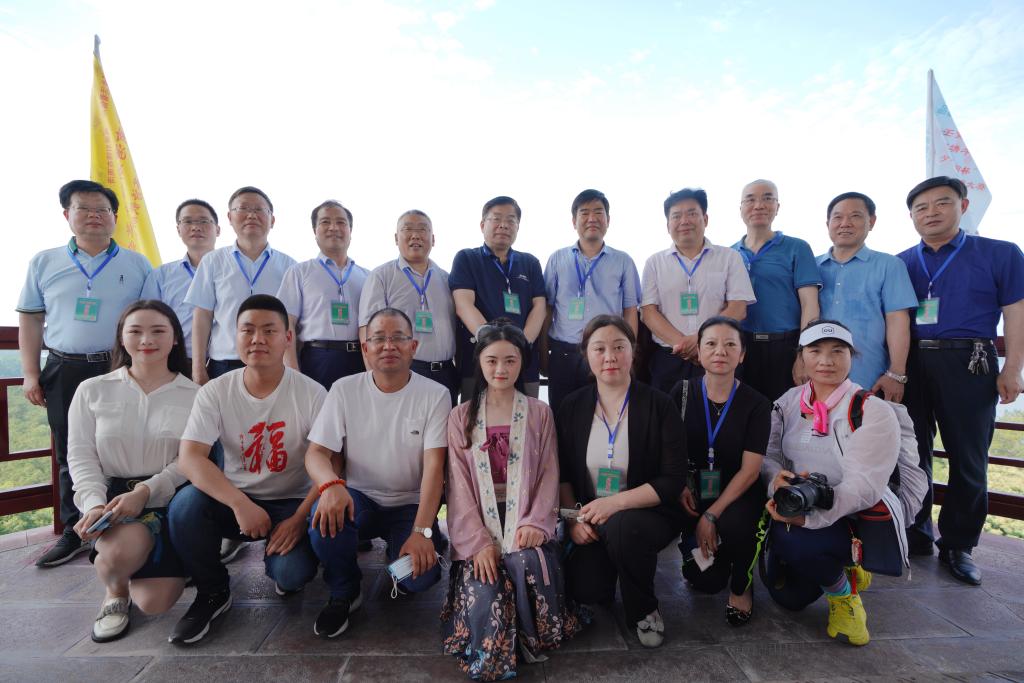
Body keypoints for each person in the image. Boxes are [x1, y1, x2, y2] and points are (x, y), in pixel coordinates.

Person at [167, 295, 327, 645]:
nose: (258, 339)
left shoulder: (312, 393)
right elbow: (190, 457)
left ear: (288, 338)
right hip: (236, 499)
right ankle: (212, 591)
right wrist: (239, 503)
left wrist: (300, 518)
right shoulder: (216, 391)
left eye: (269, 331)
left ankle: (282, 564)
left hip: (292, 503)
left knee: (292, 574)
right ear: (235, 336)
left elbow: (331, 461)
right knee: (184, 506)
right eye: (248, 330)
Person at [18, 179, 152, 567]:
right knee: (68, 448)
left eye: (102, 210)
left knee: (121, 445)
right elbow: (31, 320)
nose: (94, 216)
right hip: (64, 366)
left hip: (118, 366)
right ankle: (74, 529)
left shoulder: (137, 264)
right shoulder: (44, 262)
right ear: (67, 214)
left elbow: (148, 319)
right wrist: (30, 373)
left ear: (115, 217)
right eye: (84, 208)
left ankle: (117, 524)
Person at [897, 176, 1024, 583]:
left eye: (942, 203)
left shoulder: (1000, 253)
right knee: (911, 453)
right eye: (921, 207)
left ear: (963, 206)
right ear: (911, 216)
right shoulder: (901, 262)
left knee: (968, 457)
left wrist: (1013, 368)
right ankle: (914, 531)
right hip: (911, 361)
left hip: (971, 359)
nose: (931, 213)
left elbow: (1016, 313)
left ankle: (958, 543)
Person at [442, 321, 583, 679]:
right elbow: (457, 487)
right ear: (479, 362)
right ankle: (497, 645)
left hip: (526, 515)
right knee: (485, 583)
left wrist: (536, 522)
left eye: (510, 360)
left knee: (527, 561)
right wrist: (477, 543)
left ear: (523, 362)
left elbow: (549, 473)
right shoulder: (461, 417)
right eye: (492, 361)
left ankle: (531, 636)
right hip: (478, 522)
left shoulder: (539, 412)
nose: (501, 369)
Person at [303, 308, 449, 638]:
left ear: (413, 346)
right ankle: (344, 590)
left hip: (410, 505)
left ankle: (412, 546)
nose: (388, 345)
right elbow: (316, 453)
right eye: (379, 338)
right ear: (365, 347)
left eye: (398, 338)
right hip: (359, 499)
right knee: (323, 518)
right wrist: (330, 485)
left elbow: (434, 468)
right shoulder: (344, 389)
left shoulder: (435, 394)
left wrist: (421, 531)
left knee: (417, 579)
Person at [761, 320, 902, 646]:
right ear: (802, 357)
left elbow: (863, 488)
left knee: (794, 539)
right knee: (789, 598)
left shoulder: (871, 410)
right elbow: (768, 456)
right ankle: (841, 568)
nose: (826, 361)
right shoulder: (788, 403)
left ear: (852, 356)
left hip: (854, 518)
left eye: (837, 351)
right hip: (800, 504)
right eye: (815, 351)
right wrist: (775, 482)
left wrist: (809, 519)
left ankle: (844, 595)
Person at [68, 300, 197, 642]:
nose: (146, 340)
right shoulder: (92, 390)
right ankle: (115, 591)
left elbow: (190, 459)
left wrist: (147, 491)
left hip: (171, 498)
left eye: (158, 331)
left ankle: (145, 563)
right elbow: (81, 456)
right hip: (114, 501)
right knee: (117, 556)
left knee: (155, 603)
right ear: (121, 338)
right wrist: (94, 504)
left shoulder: (195, 395)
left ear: (175, 338)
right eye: (135, 331)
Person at [557, 315, 686, 648]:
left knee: (624, 527)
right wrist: (572, 520)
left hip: (648, 513)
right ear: (586, 354)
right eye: (599, 348)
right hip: (590, 517)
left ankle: (644, 609)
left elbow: (672, 480)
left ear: (633, 351)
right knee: (587, 590)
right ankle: (617, 564)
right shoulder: (572, 406)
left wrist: (614, 503)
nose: (610, 357)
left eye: (619, 347)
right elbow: (564, 474)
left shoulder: (659, 404)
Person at [671, 316, 770, 626]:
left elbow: (750, 471)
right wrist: (679, 486)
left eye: (730, 345)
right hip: (692, 493)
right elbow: (668, 452)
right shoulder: (681, 393)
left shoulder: (757, 404)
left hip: (738, 495)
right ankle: (720, 553)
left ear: (742, 354)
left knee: (737, 524)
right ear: (699, 352)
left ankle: (742, 583)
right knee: (705, 580)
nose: (720, 351)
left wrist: (711, 515)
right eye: (711, 344)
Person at [640, 188, 754, 393]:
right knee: (668, 412)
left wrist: (702, 341)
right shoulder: (654, 263)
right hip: (670, 357)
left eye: (692, 213)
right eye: (676, 216)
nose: (684, 221)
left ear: (705, 219)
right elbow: (648, 313)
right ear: (668, 225)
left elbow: (738, 308)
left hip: (719, 356)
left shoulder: (729, 257)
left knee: (721, 411)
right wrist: (684, 345)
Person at [543, 189, 642, 412]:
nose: (592, 218)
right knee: (562, 416)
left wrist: (629, 353)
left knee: (605, 414)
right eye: (584, 213)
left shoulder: (623, 261)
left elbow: (630, 310)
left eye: (598, 212)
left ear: (608, 220)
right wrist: (543, 353)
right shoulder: (557, 259)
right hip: (564, 353)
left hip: (607, 354)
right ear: (574, 221)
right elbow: (547, 309)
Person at [185, 186, 296, 385]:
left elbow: (292, 322)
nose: (251, 215)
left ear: (272, 220)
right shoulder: (213, 261)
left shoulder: (289, 266)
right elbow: (202, 317)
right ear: (229, 217)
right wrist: (198, 368)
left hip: (274, 364)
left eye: (259, 209)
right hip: (224, 364)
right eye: (243, 208)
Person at [817, 192, 917, 401]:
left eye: (855, 216)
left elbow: (898, 321)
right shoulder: (811, 266)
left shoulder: (889, 265)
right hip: (816, 374)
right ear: (827, 224)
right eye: (837, 217)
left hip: (869, 376)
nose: (845, 223)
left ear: (871, 222)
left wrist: (896, 373)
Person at [450, 196, 547, 400]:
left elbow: (539, 307)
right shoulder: (467, 258)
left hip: (524, 362)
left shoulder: (530, 263)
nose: (504, 225)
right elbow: (463, 304)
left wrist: (521, 344)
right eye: (496, 219)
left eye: (511, 220)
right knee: (476, 417)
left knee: (528, 417)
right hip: (479, 362)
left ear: (518, 227)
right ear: (482, 224)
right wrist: (492, 342)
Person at [731, 180, 820, 400]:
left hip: (785, 347)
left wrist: (804, 352)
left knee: (786, 412)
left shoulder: (797, 248)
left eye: (767, 198)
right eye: (750, 199)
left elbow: (810, 304)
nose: (759, 205)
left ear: (777, 207)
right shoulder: (729, 254)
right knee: (744, 411)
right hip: (741, 346)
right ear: (740, 208)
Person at [359, 210, 458, 405]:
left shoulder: (447, 279)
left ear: (433, 239)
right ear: (396, 238)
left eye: (422, 230)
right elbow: (367, 331)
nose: (415, 235)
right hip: (403, 373)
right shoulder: (381, 276)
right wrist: (376, 381)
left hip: (446, 374)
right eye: (408, 229)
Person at [277, 200, 369, 389]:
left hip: (359, 359)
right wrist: (292, 371)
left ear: (350, 230)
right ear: (315, 230)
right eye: (325, 222)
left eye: (341, 222)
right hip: (317, 360)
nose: (334, 227)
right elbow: (286, 323)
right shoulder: (299, 272)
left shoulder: (367, 276)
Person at [141, 199, 221, 367]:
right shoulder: (161, 276)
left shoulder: (233, 271)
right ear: (178, 229)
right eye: (188, 221)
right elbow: (147, 320)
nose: (195, 227)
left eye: (203, 221)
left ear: (218, 229)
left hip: (224, 361)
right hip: (176, 360)